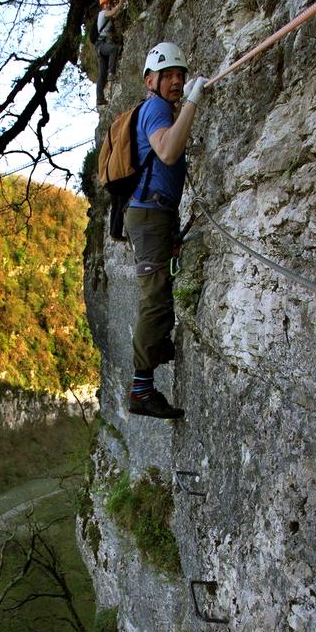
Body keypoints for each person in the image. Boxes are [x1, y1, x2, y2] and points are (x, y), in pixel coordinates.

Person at [123, 42, 209, 419]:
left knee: (159, 292)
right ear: (150, 80)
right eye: (169, 76)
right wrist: (191, 103)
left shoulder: (160, 108)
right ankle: (141, 391)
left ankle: (158, 346)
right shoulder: (156, 108)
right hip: (150, 215)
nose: (176, 81)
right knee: (154, 297)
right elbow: (169, 152)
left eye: (180, 75)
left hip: (153, 215)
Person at [95, 0, 126, 106]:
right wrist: (120, 4)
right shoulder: (103, 14)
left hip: (102, 45)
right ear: (103, 6)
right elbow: (113, 12)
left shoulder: (108, 15)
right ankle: (111, 73)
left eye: (109, 3)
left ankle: (100, 98)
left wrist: (120, 6)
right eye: (106, 4)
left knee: (101, 74)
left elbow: (115, 15)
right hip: (101, 44)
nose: (108, 5)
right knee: (113, 49)